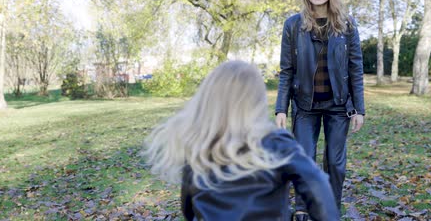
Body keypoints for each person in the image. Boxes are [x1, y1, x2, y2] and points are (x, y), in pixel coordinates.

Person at [144, 60, 339, 221]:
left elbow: (188, 208)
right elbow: (316, 184)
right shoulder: (275, 143)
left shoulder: (200, 148)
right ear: (256, 102)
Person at [275, 0, 365, 220]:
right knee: (304, 158)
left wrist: (359, 109)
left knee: (335, 162)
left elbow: (355, 68)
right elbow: (286, 70)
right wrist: (281, 107)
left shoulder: (347, 24)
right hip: (305, 105)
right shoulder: (293, 25)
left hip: (338, 105)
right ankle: (303, 208)